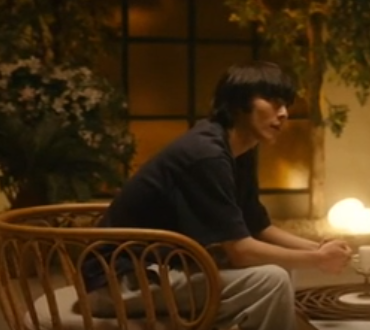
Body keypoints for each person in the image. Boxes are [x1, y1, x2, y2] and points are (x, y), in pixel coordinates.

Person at [81, 61, 351, 330]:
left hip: (163, 267)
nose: (283, 114)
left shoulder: (240, 148)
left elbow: (258, 227)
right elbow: (241, 252)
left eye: (286, 105)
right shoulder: (206, 154)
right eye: (273, 102)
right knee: (271, 280)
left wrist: (318, 249)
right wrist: (318, 260)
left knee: (278, 270)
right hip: (119, 281)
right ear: (238, 103)